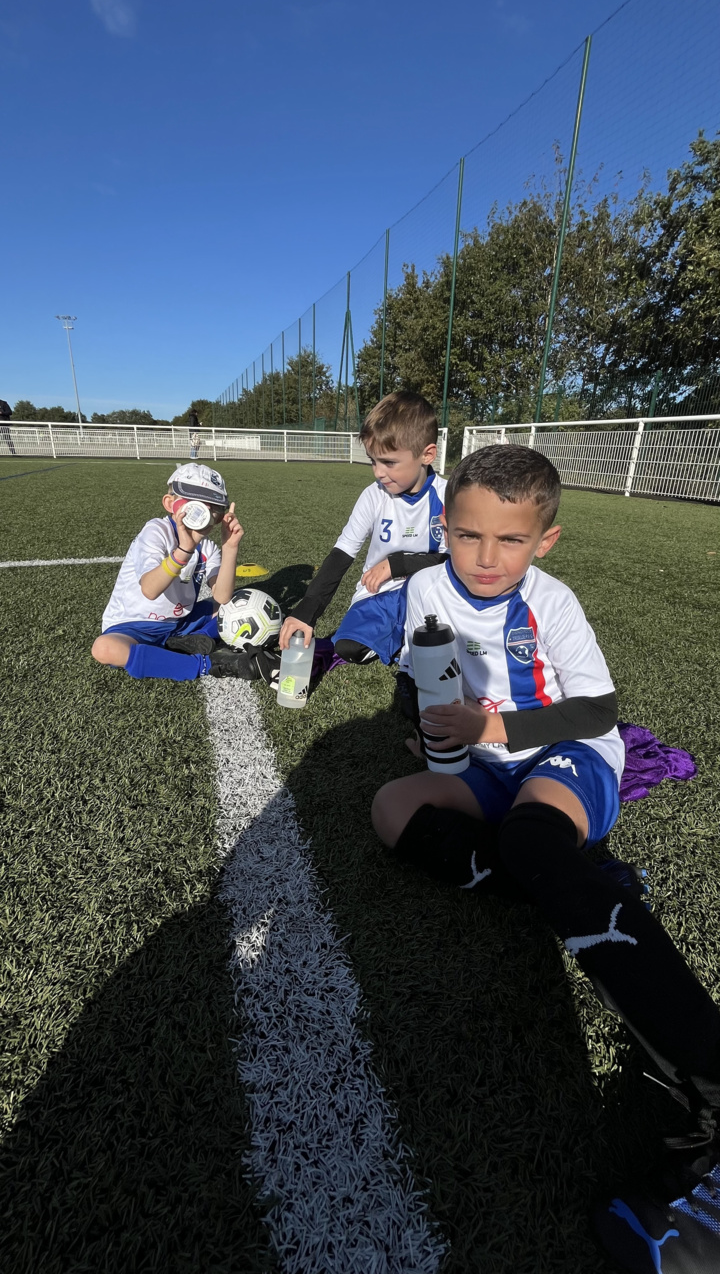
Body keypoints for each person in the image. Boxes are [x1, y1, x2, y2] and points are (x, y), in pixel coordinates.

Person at [371, 444, 720, 1274]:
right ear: (444, 527)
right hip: (484, 770)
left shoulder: (552, 602)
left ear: (545, 542)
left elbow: (598, 706)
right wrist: (442, 732)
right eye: (467, 536)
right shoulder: (426, 585)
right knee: (390, 809)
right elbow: (434, 681)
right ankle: (567, 881)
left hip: (568, 757)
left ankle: (707, 1074)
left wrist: (492, 729)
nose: (487, 559)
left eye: (511, 542)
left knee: (531, 838)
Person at [279, 391, 448, 666]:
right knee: (348, 647)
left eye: (389, 462)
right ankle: (404, 639)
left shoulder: (449, 496)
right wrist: (306, 610)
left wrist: (399, 564)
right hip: (380, 593)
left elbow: (457, 560)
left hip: (431, 592)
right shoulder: (373, 495)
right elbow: (343, 552)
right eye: (373, 460)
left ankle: (407, 640)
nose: (378, 472)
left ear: (426, 455)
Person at [92, 462, 273, 682]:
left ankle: (183, 642)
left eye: (214, 507)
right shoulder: (157, 531)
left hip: (179, 623)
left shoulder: (207, 548)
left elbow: (222, 596)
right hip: (132, 627)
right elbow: (150, 589)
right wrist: (183, 550)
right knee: (104, 648)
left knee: (234, 604)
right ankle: (209, 664)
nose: (205, 512)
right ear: (171, 504)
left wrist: (230, 547)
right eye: (197, 503)